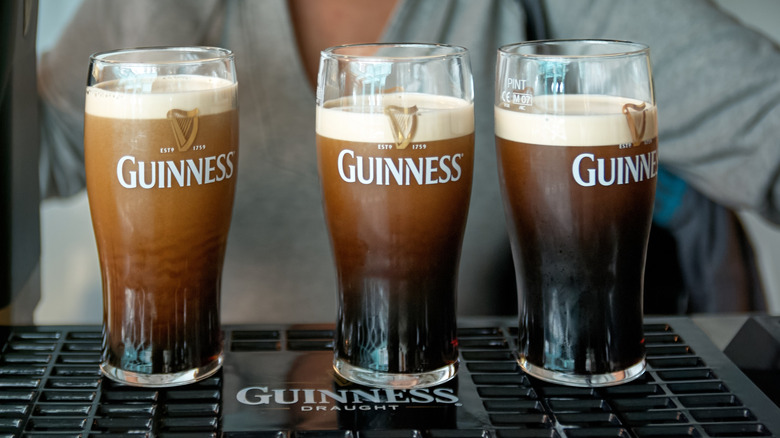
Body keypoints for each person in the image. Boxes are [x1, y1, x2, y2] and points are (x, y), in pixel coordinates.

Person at [38, 0, 779, 323]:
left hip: (458, 399)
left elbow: (764, 120)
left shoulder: (540, 8)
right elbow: (48, 148)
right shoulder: (150, 10)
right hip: (205, 401)